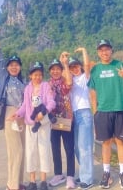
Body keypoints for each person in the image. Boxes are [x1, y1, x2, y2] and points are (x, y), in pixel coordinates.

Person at [87, 39, 123, 189]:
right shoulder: (95, 70)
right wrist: (95, 114)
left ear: (111, 50)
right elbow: (93, 95)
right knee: (106, 143)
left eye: (107, 49)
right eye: (101, 50)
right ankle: (106, 174)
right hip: (103, 112)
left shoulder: (120, 65)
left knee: (121, 142)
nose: (104, 52)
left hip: (120, 109)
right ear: (98, 53)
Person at [11, 61, 56, 190]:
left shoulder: (46, 86)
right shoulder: (28, 88)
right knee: (30, 152)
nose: (38, 77)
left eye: (40, 74)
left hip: (43, 125)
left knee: (44, 151)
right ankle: (32, 181)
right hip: (30, 125)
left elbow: (51, 102)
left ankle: (43, 181)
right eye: (35, 74)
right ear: (30, 75)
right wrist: (17, 114)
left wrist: (43, 112)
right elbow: (25, 106)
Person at [0, 28, 26, 190]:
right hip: (10, 114)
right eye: (11, 65)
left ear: (19, 67)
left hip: (22, 116)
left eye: (16, 65)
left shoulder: (22, 81)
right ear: (7, 67)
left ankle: (18, 182)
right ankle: (12, 185)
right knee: (15, 150)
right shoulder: (5, 77)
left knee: (22, 150)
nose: (14, 67)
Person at [48, 53, 75, 189]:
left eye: (57, 68)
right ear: (50, 71)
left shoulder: (65, 81)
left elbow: (70, 83)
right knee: (55, 148)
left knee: (69, 149)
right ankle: (58, 174)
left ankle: (70, 176)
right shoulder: (47, 85)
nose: (55, 71)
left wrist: (65, 63)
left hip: (66, 119)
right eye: (52, 69)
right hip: (53, 120)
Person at [68, 47, 94, 190]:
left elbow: (87, 65)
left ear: (80, 67)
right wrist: (64, 62)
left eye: (76, 66)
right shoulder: (69, 80)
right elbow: (63, 71)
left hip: (84, 113)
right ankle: (84, 173)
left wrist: (84, 51)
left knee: (85, 147)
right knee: (77, 148)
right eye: (72, 67)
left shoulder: (85, 78)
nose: (74, 69)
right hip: (74, 114)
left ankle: (87, 179)